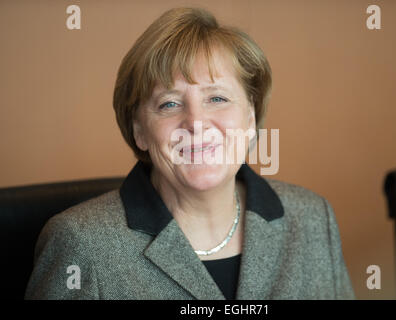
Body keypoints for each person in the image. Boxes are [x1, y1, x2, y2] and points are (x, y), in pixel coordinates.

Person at [25, 7, 354, 300]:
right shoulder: (81, 244)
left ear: (250, 118)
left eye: (217, 98)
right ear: (139, 130)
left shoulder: (312, 220)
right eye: (169, 103)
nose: (196, 123)